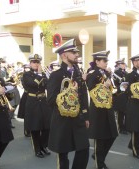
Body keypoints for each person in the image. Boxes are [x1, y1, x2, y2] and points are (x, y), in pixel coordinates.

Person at [47, 38, 90, 169]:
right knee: (63, 154)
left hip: (78, 118)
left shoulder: (78, 73)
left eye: (76, 52)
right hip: (62, 120)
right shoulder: (56, 75)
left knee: (84, 150)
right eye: (73, 52)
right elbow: (51, 99)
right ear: (64, 55)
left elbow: (83, 96)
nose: (77, 55)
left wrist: (86, 115)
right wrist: (70, 93)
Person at [87, 50, 118, 169]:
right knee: (100, 138)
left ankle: (98, 156)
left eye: (106, 61)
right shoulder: (92, 74)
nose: (106, 63)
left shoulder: (104, 73)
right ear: (97, 61)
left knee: (112, 135)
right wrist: (103, 86)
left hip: (108, 108)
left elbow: (111, 87)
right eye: (104, 61)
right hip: (98, 110)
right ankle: (99, 164)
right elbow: (91, 90)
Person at [23, 54, 51, 158]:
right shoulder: (26, 75)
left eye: (38, 62)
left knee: (46, 126)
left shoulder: (43, 74)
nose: (36, 64)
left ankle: (44, 146)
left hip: (43, 101)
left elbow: (48, 85)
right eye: (34, 62)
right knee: (35, 128)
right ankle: (37, 149)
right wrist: (40, 75)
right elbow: (32, 84)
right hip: (32, 101)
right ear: (30, 63)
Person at [125, 52, 139, 158]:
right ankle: (135, 150)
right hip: (134, 103)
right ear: (134, 62)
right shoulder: (130, 75)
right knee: (136, 128)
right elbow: (127, 90)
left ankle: (132, 144)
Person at [113, 58, 128, 134]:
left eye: (124, 64)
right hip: (119, 95)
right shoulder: (116, 72)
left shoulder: (125, 72)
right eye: (122, 64)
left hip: (124, 95)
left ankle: (124, 127)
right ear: (119, 65)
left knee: (124, 112)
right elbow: (115, 84)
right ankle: (121, 127)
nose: (124, 65)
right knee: (120, 113)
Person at [17, 63, 31, 137]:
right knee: (26, 115)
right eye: (26, 68)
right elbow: (26, 86)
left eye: (28, 68)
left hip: (33, 96)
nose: (27, 69)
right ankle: (26, 131)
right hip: (26, 95)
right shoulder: (24, 76)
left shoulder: (33, 75)